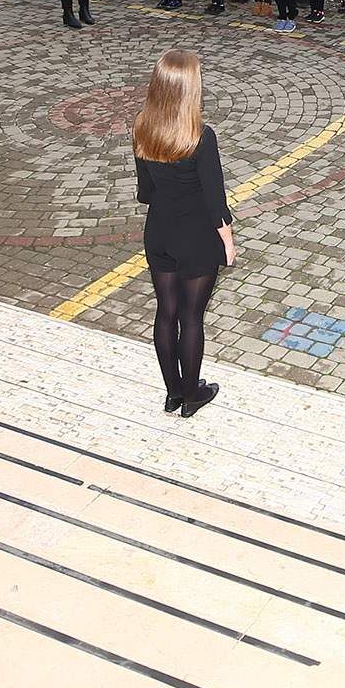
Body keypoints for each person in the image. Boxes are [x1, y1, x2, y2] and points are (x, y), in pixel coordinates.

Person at [132, 50, 235, 417]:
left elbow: (146, 191)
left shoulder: (142, 126)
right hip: (195, 236)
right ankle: (192, 395)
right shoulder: (201, 136)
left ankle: (173, 392)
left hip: (158, 231)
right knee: (191, 318)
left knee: (166, 312)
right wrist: (227, 243)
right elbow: (215, 199)